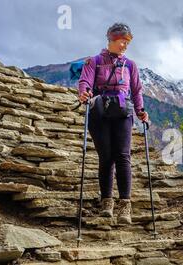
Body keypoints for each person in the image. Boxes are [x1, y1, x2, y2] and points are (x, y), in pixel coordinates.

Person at [77, 23, 149, 224]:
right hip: (99, 112)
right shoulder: (94, 62)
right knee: (106, 156)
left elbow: (136, 90)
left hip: (123, 112)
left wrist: (141, 111)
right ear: (111, 40)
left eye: (127, 42)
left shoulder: (131, 65)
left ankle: (125, 206)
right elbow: (85, 82)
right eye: (121, 41)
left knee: (123, 156)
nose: (124, 45)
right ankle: (106, 202)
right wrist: (84, 93)